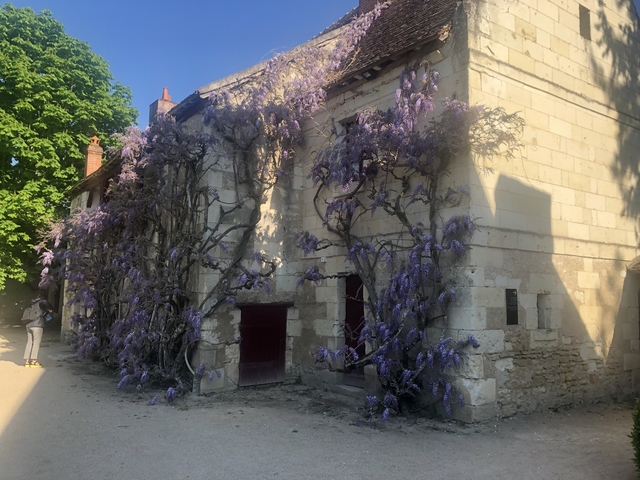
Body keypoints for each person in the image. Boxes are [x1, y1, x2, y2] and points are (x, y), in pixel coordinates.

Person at [23, 291, 53, 368]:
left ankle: (27, 361)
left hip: (29, 325)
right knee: (36, 343)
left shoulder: (32, 303)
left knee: (29, 342)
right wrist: (50, 309)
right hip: (37, 325)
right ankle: (34, 361)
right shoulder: (41, 302)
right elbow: (46, 303)